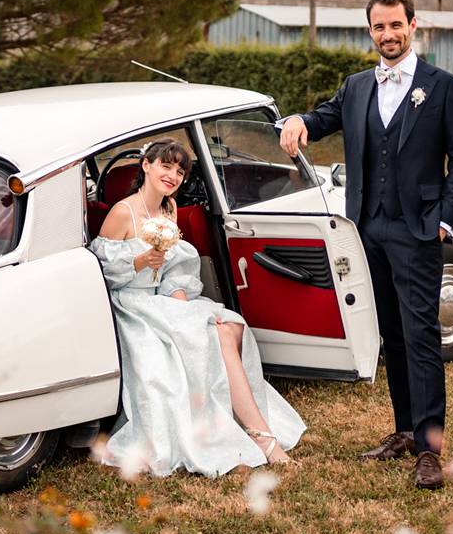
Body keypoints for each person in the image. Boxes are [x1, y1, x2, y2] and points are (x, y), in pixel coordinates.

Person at [277, 0, 453, 490]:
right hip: (368, 227)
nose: (387, 35)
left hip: (418, 229)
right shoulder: (357, 85)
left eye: (395, 25)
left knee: (422, 336)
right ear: (371, 32)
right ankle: (405, 431)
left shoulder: (443, 86)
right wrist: (300, 120)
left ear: (414, 26)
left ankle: (430, 450)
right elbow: (325, 118)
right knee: (391, 333)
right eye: (378, 27)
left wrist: (446, 222)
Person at [89, 138, 305, 476]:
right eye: (166, 166)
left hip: (166, 299)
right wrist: (142, 260)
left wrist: (179, 299)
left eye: (179, 171)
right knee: (214, 333)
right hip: (133, 304)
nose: (173, 175)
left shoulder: (169, 209)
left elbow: (177, 268)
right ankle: (263, 437)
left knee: (230, 326)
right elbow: (101, 273)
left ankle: (241, 423)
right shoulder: (122, 211)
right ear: (146, 165)